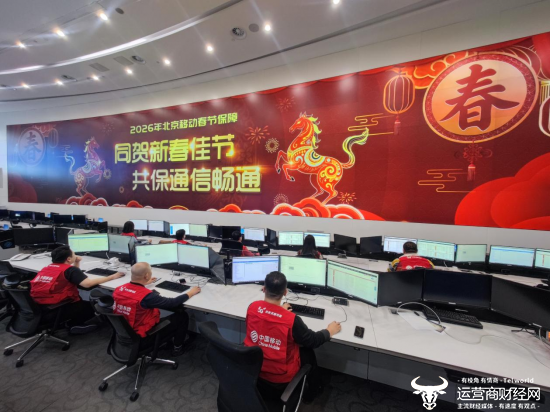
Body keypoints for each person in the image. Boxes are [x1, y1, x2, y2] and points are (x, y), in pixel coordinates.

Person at [244, 271, 341, 402]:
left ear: (264, 289)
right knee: (308, 351)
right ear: (285, 292)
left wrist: (279, 311)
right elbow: (312, 340)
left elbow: (266, 321)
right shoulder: (292, 320)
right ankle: (313, 392)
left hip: (254, 368)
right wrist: (329, 331)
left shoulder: (252, 307)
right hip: (279, 379)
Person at [113, 262, 201, 357]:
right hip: (143, 337)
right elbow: (172, 303)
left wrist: (144, 283)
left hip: (126, 332)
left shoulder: (119, 289)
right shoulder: (147, 297)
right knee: (181, 316)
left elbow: (132, 293)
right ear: (146, 275)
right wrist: (191, 292)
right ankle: (178, 348)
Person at [30, 245, 125, 334]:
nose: (75, 255)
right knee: (93, 307)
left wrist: (76, 262)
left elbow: (73, 275)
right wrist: (112, 276)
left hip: (40, 306)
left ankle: (68, 322)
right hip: (58, 306)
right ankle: (73, 324)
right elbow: (87, 284)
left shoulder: (47, 268)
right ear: (68, 259)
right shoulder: (70, 270)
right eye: (74, 254)